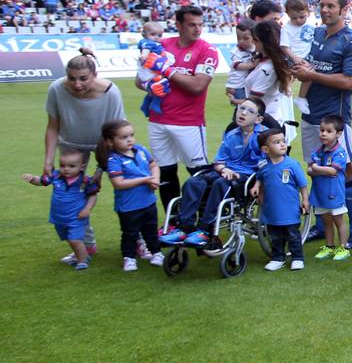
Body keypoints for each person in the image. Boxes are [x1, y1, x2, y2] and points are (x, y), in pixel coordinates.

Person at [293, 0, 352, 246]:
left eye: (331, 6)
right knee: (315, 170)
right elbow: (306, 65)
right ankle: (323, 227)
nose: (325, 10)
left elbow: (348, 81)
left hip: (335, 120)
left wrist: (311, 76)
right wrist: (299, 70)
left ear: (344, 10)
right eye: (322, 5)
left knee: (344, 171)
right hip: (310, 114)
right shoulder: (315, 34)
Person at [159, 97, 266, 253]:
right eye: (241, 108)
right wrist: (223, 169)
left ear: (258, 119)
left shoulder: (262, 137)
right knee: (193, 182)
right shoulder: (231, 135)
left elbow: (265, 165)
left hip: (246, 176)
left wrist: (257, 184)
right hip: (226, 172)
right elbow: (218, 162)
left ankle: (204, 230)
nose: (242, 113)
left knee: (220, 184)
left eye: (250, 111)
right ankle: (184, 228)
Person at [147, 5, 219, 211]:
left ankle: (206, 224)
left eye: (200, 25)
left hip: (188, 123)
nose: (197, 29)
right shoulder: (162, 45)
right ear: (178, 25)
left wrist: (167, 70)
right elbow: (141, 79)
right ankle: (174, 223)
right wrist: (148, 85)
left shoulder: (207, 50)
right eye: (191, 25)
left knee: (199, 174)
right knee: (166, 174)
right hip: (158, 121)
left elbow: (198, 85)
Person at [43, 53, 125, 190]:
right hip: (70, 144)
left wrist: (100, 169)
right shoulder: (56, 89)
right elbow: (53, 126)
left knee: (119, 184)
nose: (77, 84)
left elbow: (116, 131)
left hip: (103, 144)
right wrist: (48, 161)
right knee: (68, 190)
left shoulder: (111, 92)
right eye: (71, 78)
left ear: (95, 75)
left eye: (83, 79)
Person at [97, 119, 163, 272]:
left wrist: (155, 179)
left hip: (148, 201)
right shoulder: (114, 160)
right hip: (128, 206)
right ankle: (129, 258)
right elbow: (118, 183)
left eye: (131, 135)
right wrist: (145, 180)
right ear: (110, 142)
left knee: (151, 230)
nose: (129, 140)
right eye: (123, 137)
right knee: (130, 233)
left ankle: (156, 253)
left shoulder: (141, 150)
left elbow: (154, 165)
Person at [23, 147, 99, 270]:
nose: (66, 169)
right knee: (68, 239)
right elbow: (42, 181)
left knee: (75, 239)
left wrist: (87, 209)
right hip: (59, 218)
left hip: (77, 218)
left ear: (81, 166)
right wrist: (32, 179)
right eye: (63, 165)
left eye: (71, 166)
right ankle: (84, 255)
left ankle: (82, 261)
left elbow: (93, 195)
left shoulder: (85, 181)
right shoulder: (56, 176)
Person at [252, 127, 309, 272]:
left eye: (283, 141)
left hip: (289, 209)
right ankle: (278, 258)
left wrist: (305, 200)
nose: (283, 144)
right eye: (277, 142)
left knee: (293, 235)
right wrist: (256, 187)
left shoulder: (292, 164)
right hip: (271, 210)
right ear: (265, 149)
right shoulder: (263, 165)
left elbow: (302, 184)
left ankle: (297, 258)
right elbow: (260, 178)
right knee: (274, 236)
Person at [309, 115, 352, 262]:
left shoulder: (339, 152)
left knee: (338, 220)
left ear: (338, 134)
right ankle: (329, 245)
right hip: (320, 193)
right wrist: (318, 169)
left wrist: (316, 168)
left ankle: (343, 247)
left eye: (328, 131)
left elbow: (333, 171)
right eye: (322, 130)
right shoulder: (318, 151)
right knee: (326, 221)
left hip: (335, 194)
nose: (323, 134)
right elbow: (309, 171)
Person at [243, 19, 296, 140]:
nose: (252, 42)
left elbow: (253, 101)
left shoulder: (267, 69)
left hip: (265, 126)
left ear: (264, 43)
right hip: (268, 123)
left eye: (255, 39)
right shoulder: (269, 64)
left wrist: (236, 102)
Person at [135, 19, 171, 116]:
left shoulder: (155, 43)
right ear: (144, 34)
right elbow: (145, 51)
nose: (156, 37)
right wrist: (143, 57)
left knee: (154, 88)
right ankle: (155, 104)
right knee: (162, 85)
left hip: (154, 68)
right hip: (149, 68)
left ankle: (146, 105)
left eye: (159, 35)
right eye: (153, 34)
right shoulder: (147, 42)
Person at [224, 19, 258, 110]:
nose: (241, 41)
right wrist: (252, 64)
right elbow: (237, 65)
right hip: (238, 85)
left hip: (248, 85)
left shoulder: (257, 49)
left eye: (245, 38)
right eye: (238, 38)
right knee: (244, 107)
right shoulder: (237, 51)